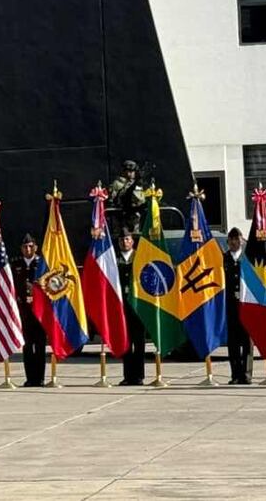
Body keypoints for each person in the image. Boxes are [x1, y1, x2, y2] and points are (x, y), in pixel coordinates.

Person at [14, 233, 45, 387]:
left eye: (31, 246)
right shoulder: (16, 264)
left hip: (39, 313)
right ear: (21, 248)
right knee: (27, 347)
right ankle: (30, 378)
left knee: (39, 346)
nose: (28, 249)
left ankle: (40, 378)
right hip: (24, 313)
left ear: (36, 247)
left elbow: (47, 287)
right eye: (25, 247)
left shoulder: (42, 264)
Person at [224, 227, 253, 385]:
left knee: (247, 340)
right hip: (230, 305)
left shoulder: (248, 258)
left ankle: (246, 374)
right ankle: (235, 374)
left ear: (242, 240)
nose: (234, 242)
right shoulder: (224, 258)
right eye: (231, 239)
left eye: (236, 239)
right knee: (233, 341)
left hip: (246, 304)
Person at [116, 228, 145, 385]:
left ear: (132, 241)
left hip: (137, 307)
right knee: (126, 343)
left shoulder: (139, 257)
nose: (124, 242)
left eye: (127, 239)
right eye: (122, 240)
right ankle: (128, 376)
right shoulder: (114, 259)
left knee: (139, 344)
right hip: (122, 308)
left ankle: (139, 376)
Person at [109, 160, 146, 232]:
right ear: (124, 171)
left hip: (135, 216)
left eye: (133, 171)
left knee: (135, 236)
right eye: (129, 171)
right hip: (121, 217)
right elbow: (111, 201)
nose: (132, 173)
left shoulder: (137, 183)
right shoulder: (117, 183)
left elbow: (141, 199)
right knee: (121, 235)